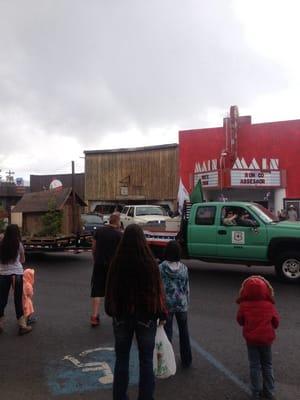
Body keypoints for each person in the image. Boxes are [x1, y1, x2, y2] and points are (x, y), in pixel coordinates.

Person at [105, 224, 167, 400]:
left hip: (122, 315)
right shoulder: (150, 263)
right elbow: (158, 291)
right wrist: (162, 314)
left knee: (122, 358)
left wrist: (111, 310)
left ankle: (120, 396)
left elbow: (110, 289)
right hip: (146, 316)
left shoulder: (116, 262)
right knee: (146, 360)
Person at [236, 276, 280, 400]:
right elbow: (276, 322)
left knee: (254, 365)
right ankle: (270, 391)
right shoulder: (269, 305)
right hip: (266, 340)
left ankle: (255, 392)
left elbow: (240, 320)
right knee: (267, 365)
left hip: (251, 340)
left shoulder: (244, 305)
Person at [159, 240, 192, 368]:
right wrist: (186, 302)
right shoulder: (184, 268)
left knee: (167, 333)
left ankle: (167, 360)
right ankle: (187, 359)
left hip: (167, 304)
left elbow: (159, 287)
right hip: (181, 303)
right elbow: (186, 287)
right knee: (184, 331)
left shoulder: (161, 268)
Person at [90, 213, 122, 326]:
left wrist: (95, 258)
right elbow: (120, 252)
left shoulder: (99, 231)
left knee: (97, 290)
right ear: (117, 222)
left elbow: (93, 247)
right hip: (113, 266)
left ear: (109, 220)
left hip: (99, 264)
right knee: (114, 290)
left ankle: (94, 317)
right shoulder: (119, 235)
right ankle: (116, 316)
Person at [0, 224, 32, 335]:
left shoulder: (1, 244)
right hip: (17, 274)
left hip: (3, 274)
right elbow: (22, 260)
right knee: (18, 300)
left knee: (2, 300)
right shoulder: (18, 244)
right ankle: (22, 326)